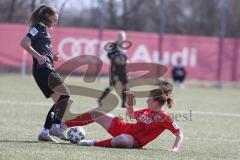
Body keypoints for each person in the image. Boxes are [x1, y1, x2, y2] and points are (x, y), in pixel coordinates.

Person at [65, 81, 183, 151]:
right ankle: (64, 124)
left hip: (133, 141)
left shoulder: (165, 117)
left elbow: (179, 134)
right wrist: (130, 101)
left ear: (157, 101)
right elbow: (130, 114)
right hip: (125, 128)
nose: (147, 100)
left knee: (122, 139)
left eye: (149, 98)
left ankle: (92, 143)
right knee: (96, 114)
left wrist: (175, 149)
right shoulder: (147, 110)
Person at [20, 4, 70, 142]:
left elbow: (42, 50)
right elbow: (24, 42)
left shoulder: (44, 31)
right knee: (65, 96)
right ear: (48, 16)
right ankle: (56, 126)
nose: (56, 21)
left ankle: (45, 132)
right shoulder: (37, 27)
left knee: (58, 100)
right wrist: (37, 56)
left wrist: (52, 57)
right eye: (55, 18)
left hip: (43, 69)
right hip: (44, 70)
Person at [97, 31, 128, 108]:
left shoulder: (124, 46)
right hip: (115, 70)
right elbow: (109, 55)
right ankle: (100, 99)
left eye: (123, 37)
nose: (122, 38)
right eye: (120, 36)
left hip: (123, 70)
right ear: (117, 37)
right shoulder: (114, 45)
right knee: (111, 86)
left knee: (125, 86)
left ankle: (123, 104)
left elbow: (123, 57)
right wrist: (115, 61)